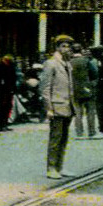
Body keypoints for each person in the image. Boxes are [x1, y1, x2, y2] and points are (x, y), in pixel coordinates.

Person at [41, 36, 76, 179]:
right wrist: (48, 108)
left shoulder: (68, 64)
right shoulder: (51, 64)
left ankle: (59, 167)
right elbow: (45, 88)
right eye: (63, 46)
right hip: (57, 106)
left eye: (68, 46)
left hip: (68, 106)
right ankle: (51, 168)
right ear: (57, 48)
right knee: (55, 139)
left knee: (63, 138)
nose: (66, 49)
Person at [70, 43, 100, 139]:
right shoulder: (86, 61)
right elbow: (94, 73)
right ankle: (92, 132)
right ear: (81, 50)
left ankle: (79, 133)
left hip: (74, 89)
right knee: (90, 111)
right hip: (87, 89)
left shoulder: (69, 62)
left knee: (78, 112)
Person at [0, 54, 18, 131]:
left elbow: (13, 77)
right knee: (3, 106)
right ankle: (2, 124)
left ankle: (5, 123)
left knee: (8, 106)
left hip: (9, 88)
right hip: (3, 89)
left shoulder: (10, 66)